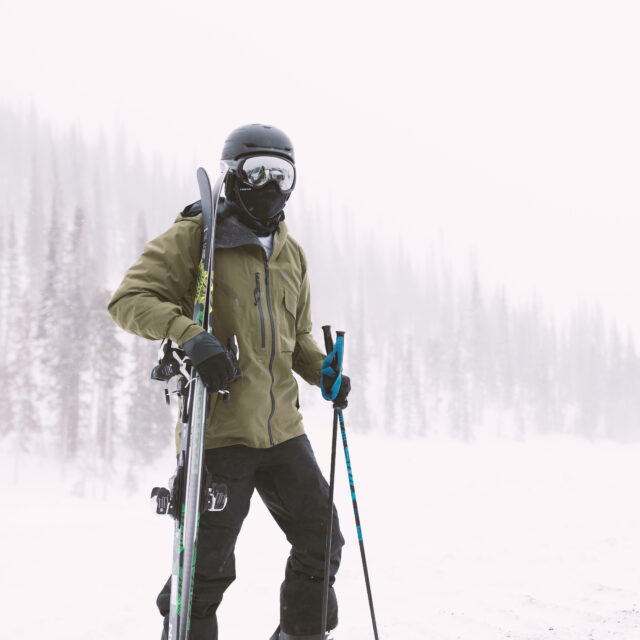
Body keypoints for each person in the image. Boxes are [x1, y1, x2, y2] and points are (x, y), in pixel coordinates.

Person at [108, 123, 351, 640]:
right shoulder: (196, 237)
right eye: (255, 171)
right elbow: (129, 301)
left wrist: (322, 372)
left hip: (283, 430)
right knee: (205, 571)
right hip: (218, 435)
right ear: (231, 177)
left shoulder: (292, 254)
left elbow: (297, 335)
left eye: (280, 174)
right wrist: (189, 335)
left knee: (322, 538)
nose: (269, 185)